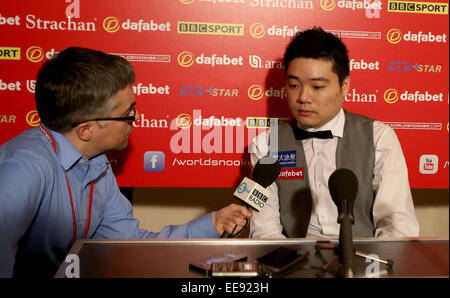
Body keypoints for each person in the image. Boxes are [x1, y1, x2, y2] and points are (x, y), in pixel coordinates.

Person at [0, 47, 251, 277]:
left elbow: (128, 243)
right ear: (86, 130)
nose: (135, 118)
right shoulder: (22, 169)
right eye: (127, 114)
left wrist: (212, 224)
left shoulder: (96, 163)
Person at [249, 27, 419, 239]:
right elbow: (264, 230)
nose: (303, 97)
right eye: (293, 85)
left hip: (365, 264)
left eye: (317, 87)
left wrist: (371, 268)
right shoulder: (265, 145)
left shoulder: (379, 137)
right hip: (294, 265)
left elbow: (397, 226)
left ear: (344, 86)